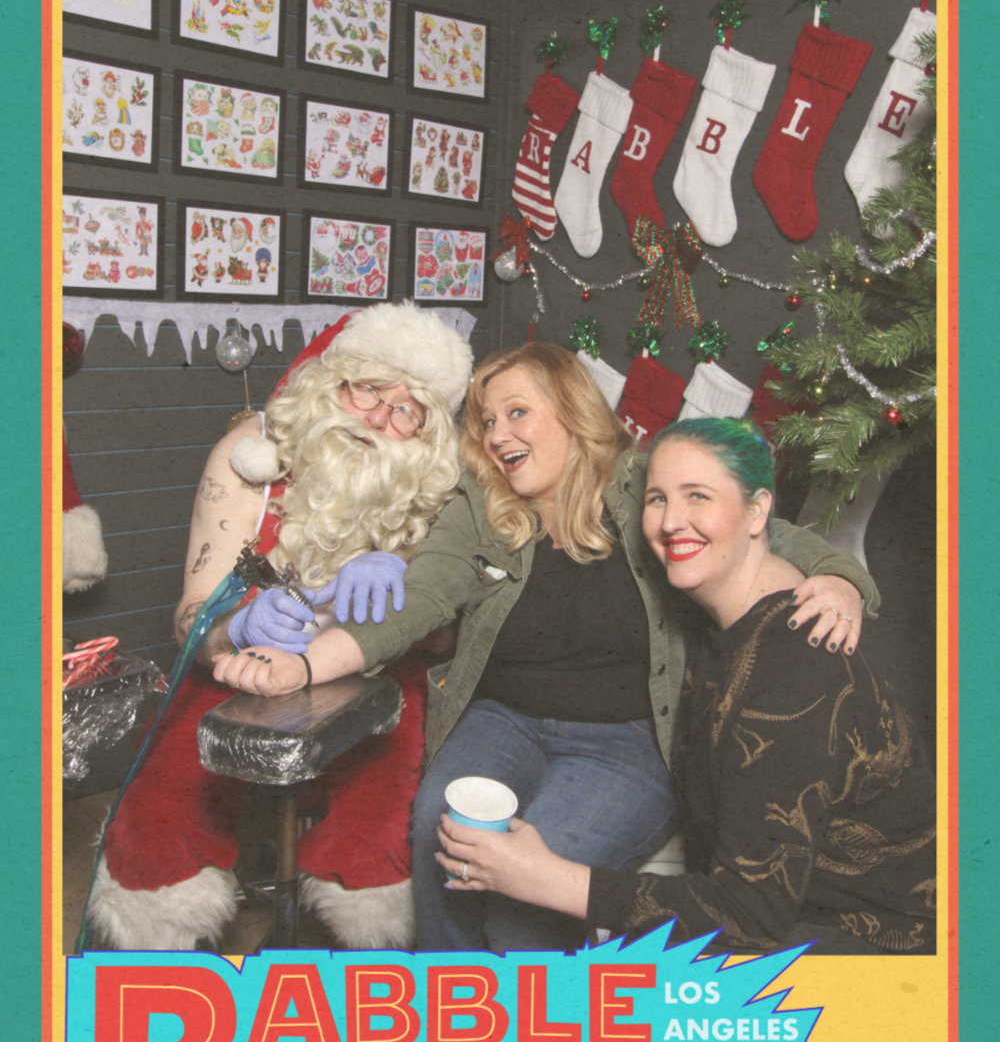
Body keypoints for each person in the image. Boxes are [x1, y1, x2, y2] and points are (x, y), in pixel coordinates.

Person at [213, 346, 881, 955]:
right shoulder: (480, 502)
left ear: (571, 410)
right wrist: (303, 665)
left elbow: (772, 533)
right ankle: (449, 1008)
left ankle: (531, 1033)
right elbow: (420, 601)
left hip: (627, 740)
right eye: (486, 421)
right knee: (442, 837)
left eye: (517, 413)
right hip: (502, 722)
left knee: (526, 898)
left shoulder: (645, 483)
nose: (497, 434)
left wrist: (841, 581)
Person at [437, 417, 935, 956]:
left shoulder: (792, 673)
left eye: (698, 496)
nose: (672, 522)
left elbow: (749, 917)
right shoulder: (724, 622)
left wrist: (547, 878)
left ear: (758, 511)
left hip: (869, 951)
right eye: (657, 499)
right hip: (787, 917)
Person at [86, 301, 472, 951]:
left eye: (408, 410)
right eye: (367, 389)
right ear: (330, 381)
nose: (379, 417)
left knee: (376, 832)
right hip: (242, 669)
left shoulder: (438, 492)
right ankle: (152, 963)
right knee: (161, 813)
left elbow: (449, 639)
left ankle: (354, 973)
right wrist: (235, 625)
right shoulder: (246, 461)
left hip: (376, 676)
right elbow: (188, 619)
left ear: (428, 434)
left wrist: (405, 588)